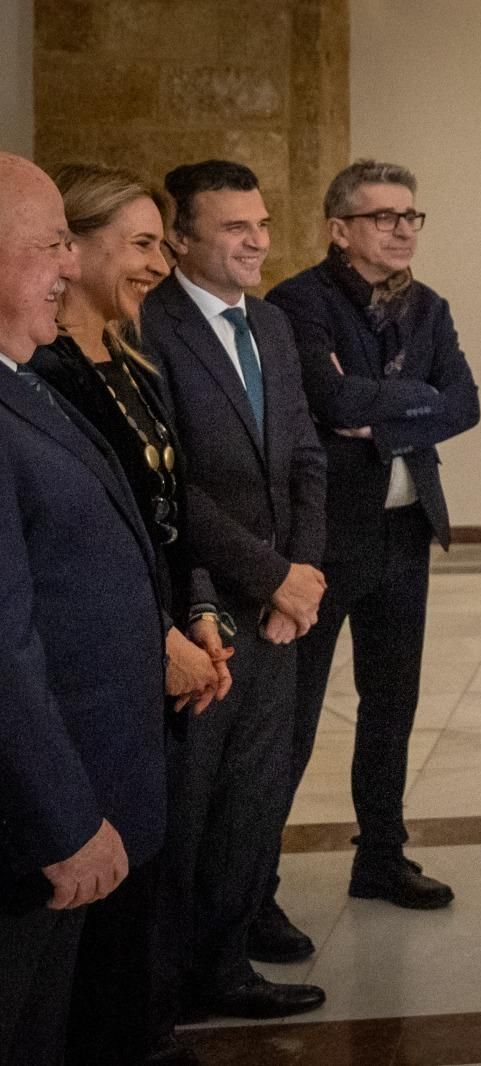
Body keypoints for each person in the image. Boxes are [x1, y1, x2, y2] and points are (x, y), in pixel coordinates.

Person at [27, 161, 233, 1066]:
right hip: (105, 664)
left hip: (165, 635)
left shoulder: (135, 359)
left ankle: (152, 1023)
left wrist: (197, 610)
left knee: (157, 856)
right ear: (76, 244)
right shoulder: (43, 373)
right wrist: (152, 643)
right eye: (143, 244)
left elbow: (170, 510)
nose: (158, 262)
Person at [260, 159, 480, 940]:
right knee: (292, 719)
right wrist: (407, 400)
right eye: (383, 217)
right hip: (323, 541)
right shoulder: (297, 304)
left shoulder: (429, 306)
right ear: (339, 229)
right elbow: (328, 400)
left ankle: (380, 855)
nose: (400, 230)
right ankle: (254, 887)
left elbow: (466, 401)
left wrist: (382, 415)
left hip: (404, 528)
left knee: (393, 706)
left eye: (411, 217)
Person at [140, 159, 329, 1021]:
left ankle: (227, 963)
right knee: (193, 806)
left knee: (255, 794)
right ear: (181, 239)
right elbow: (174, 486)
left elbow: (304, 457)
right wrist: (270, 575)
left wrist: (304, 580)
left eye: (260, 223)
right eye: (232, 228)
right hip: (209, 600)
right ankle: (164, 980)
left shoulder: (274, 324)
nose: (256, 241)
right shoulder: (152, 325)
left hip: (280, 606)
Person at [0, 152, 166, 1065]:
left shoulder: (22, 375)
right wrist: (63, 819)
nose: (71, 267)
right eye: (51, 244)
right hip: (37, 831)